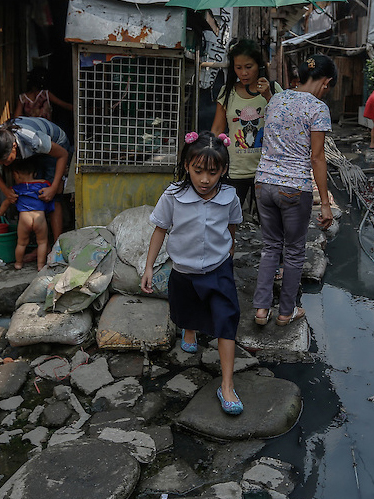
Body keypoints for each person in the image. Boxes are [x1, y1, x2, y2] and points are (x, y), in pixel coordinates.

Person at [140, 131, 244, 415]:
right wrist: (149, 267)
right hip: (183, 271)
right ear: (186, 166)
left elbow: (231, 228)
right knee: (188, 310)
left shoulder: (230, 196)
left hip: (218, 268)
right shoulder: (173, 195)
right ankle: (189, 330)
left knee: (226, 320)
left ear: (223, 170)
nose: (205, 179)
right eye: (198, 171)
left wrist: (229, 255)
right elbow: (160, 230)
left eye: (212, 172)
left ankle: (227, 385)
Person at [252, 54, 335, 327]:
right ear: (326, 82)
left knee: (270, 247)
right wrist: (324, 202)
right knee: (295, 252)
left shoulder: (276, 99)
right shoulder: (318, 108)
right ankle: (286, 312)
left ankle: (262, 311)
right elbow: (317, 157)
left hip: (264, 184)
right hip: (294, 188)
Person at [210, 39, 281, 217]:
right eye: (238, 67)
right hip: (234, 170)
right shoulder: (227, 92)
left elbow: (284, 125)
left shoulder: (273, 89)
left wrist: (267, 96)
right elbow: (217, 129)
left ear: (260, 65)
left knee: (269, 223)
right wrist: (208, 157)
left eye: (249, 67)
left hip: (267, 170)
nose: (244, 73)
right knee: (227, 220)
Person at [0, 117, 72, 243]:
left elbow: (63, 154)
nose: (5, 165)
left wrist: (54, 187)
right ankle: (42, 243)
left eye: (6, 160)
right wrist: (5, 190)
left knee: (53, 196)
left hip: (56, 144)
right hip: (34, 149)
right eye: (0, 163)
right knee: (36, 194)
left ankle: (57, 246)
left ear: (14, 147)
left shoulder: (34, 140)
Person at [0, 156, 52, 271]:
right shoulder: (43, 184)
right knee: (42, 242)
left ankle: (18, 264)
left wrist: (0, 212)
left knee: (21, 243)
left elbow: (7, 202)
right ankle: (40, 265)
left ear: (17, 174)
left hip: (24, 218)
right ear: (34, 173)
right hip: (39, 217)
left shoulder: (16, 188)